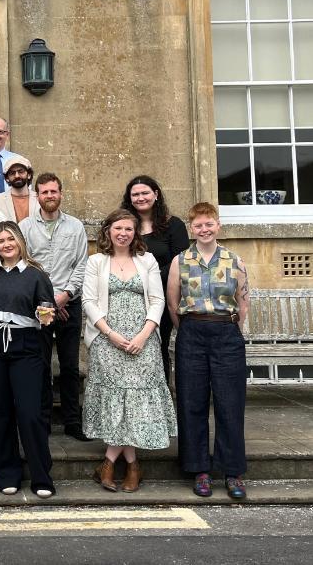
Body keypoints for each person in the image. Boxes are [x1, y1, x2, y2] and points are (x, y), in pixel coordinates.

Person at [82, 209, 177, 494]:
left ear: (135, 233)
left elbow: (158, 301)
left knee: (135, 400)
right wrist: (110, 335)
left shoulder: (146, 260)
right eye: (118, 228)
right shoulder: (96, 261)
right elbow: (88, 301)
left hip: (142, 340)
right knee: (116, 398)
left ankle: (109, 463)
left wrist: (144, 334)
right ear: (108, 231)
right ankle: (133, 464)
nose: (123, 233)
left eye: (129, 229)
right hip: (106, 340)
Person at [167, 202, 250, 500]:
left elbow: (243, 304)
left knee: (230, 403)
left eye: (209, 224)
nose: (204, 229)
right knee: (192, 402)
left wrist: (229, 329)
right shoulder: (181, 261)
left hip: (226, 333)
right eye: (198, 225)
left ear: (218, 225)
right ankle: (199, 469)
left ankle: (232, 471)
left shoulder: (234, 260)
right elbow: (173, 303)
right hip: (192, 332)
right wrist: (189, 328)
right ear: (192, 229)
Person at [0, 221, 56, 498]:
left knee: (30, 412)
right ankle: (6, 472)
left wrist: (47, 315)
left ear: (20, 241)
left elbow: (46, 312)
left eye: (10, 239)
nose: (6, 244)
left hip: (25, 344)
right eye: (0, 240)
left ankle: (41, 475)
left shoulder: (36, 275)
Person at [19, 173, 90, 441]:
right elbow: (25, 265)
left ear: (61, 193)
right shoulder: (25, 227)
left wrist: (66, 295)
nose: (50, 196)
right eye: (45, 192)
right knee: (41, 365)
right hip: (38, 307)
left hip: (69, 305)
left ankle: (72, 421)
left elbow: (81, 265)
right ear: (37, 195)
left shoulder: (75, 227)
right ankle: (43, 420)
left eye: (54, 191)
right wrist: (47, 300)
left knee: (70, 366)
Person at [120, 175, 189, 382]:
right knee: (127, 347)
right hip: (128, 297)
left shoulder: (173, 225)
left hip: (162, 297)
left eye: (145, 193)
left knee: (157, 346)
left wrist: (150, 278)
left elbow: (181, 261)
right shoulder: (124, 226)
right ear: (129, 198)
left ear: (156, 194)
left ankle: (160, 398)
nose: (140, 198)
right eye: (135, 194)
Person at [0, 155, 39, 223]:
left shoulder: (39, 198)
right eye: (12, 173)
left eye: (21, 171)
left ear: (29, 175)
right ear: (7, 178)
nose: (17, 176)